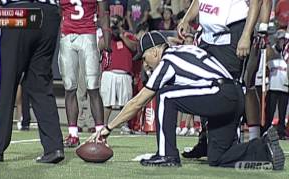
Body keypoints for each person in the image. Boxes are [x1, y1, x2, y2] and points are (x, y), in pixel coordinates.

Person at [89, 31, 285, 169]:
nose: (145, 63)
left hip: (221, 94)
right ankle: (264, 147)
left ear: (155, 51)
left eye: (145, 57)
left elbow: (138, 101)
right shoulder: (188, 50)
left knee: (164, 95)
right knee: (218, 157)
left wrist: (107, 128)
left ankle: (167, 155)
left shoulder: (168, 60)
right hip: (233, 95)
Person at [0, 0, 64, 163]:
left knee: (6, 85)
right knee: (40, 84)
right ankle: (54, 147)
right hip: (50, 14)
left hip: (18, 12)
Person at [176, 0, 271, 158]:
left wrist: (248, 34)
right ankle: (205, 139)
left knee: (232, 88)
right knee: (205, 87)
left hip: (232, 33)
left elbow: (258, 2)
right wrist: (186, 19)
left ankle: (235, 142)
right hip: (207, 35)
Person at [58, 0, 111, 147]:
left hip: (88, 35)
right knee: (69, 88)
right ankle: (73, 134)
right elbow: (57, 12)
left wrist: (107, 46)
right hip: (67, 37)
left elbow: (104, 15)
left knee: (93, 87)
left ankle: (100, 133)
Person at [98, 15, 137, 131]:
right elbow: (99, 46)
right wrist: (108, 33)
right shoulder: (106, 36)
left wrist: (121, 34)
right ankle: (103, 125)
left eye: (116, 22)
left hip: (125, 73)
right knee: (106, 102)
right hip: (109, 72)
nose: (114, 24)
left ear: (121, 23)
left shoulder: (128, 35)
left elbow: (134, 47)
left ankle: (124, 125)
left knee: (125, 102)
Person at [264, 29, 289, 140]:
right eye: (280, 40)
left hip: (284, 87)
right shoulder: (272, 52)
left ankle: (281, 132)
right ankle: (266, 130)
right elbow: (267, 66)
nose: (282, 43)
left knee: (282, 113)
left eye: (284, 40)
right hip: (273, 86)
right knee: (269, 110)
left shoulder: (287, 54)